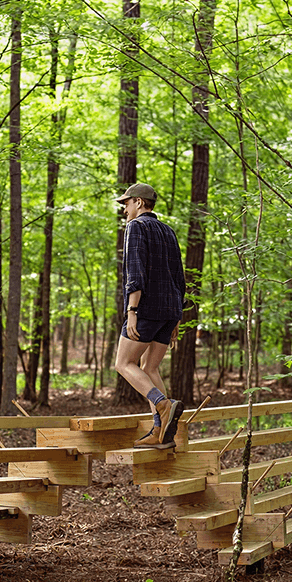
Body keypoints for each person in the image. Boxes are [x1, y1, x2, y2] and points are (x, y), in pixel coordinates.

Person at [114, 183, 186, 449]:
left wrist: (132, 311)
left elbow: (135, 272)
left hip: (147, 308)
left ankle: (162, 404)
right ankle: (161, 432)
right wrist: (176, 318)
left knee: (123, 364)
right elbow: (180, 276)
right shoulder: (169, 231)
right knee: (150, 368)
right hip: (170, 309)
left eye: (127, 203)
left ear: (140, 203)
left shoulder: (136, 227)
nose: (125, 209)